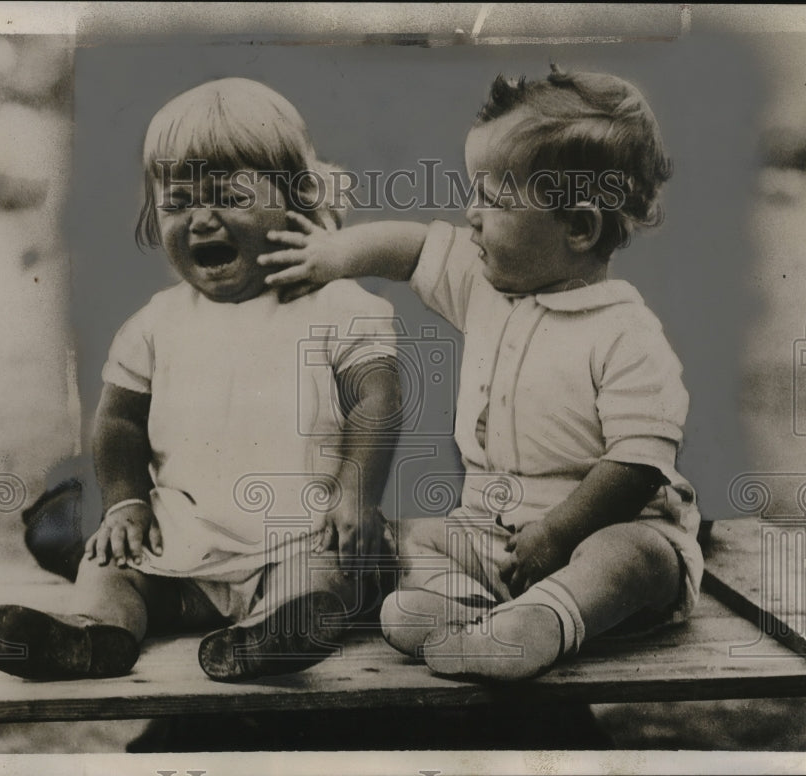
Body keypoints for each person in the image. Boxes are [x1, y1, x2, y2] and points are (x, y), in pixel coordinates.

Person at [259, 65, 704, 681]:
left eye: (493, 200)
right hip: (499, 537)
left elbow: (636, 464)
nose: (471, 215)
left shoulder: (626, 333)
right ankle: (466, 613)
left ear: (578, 227)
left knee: (636, 557)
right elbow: (414, 248)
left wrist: (558, 533)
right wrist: (334, 255)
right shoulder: (484, 288)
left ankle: (543, 622)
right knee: (422, 538)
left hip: (599, 527)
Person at [0, 78, 401, 682]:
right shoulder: (156, 323)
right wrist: (125, 504)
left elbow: (375, 397)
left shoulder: (337, 306)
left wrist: (355, 493)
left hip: (300, 539)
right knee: (113, 562)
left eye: (229, 196)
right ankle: (96, 634)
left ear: (297, 198)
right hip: (183, 544)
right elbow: (119, 421)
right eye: (178, 203)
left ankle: (278, 634)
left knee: (324, 573)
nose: (201, 220)